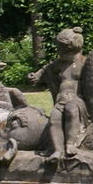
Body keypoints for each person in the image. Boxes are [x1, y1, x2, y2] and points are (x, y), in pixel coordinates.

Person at [28, 27, 87, 162]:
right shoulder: (59, 64)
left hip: (77, 101)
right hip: (61, 100)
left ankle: (70, 144)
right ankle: (57, 150)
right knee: (54, 118)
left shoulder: (85, 62)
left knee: (71, 111)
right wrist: (36, 76)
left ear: (70, 47)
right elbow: (45, 70)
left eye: (60, 48)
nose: (58, 51)